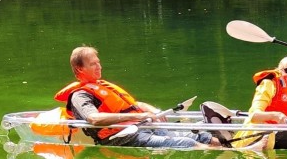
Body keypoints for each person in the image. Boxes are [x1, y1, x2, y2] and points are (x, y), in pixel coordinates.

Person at [56, 46, 220, 149]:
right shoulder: (80, 95)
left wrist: (153, 111)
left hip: (141, 126)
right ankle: (229, 154)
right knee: (186, 143)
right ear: (79, 69)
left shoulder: (102, 86)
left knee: (199, 135)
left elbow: (134, 104)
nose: (99, 67)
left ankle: (227, 146)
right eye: (93, 64)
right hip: (121, 136)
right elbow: (93, 118)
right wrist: (139, 115)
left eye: (98, 62)